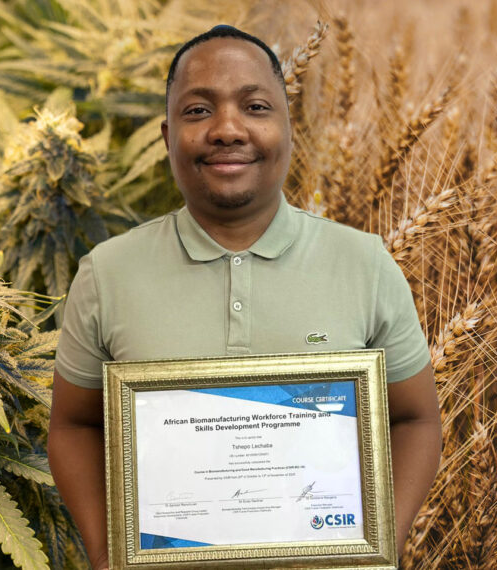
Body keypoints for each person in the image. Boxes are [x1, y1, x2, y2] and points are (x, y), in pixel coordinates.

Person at [47, 25, 441, 570]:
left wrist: (379, 546)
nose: (227, 129)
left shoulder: (364, 264)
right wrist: (106, 552)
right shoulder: (108, 274)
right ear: (167, 136)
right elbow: (73, 426)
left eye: (255, 106)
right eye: (197, 111)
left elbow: (417, 419)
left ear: (288, 127)